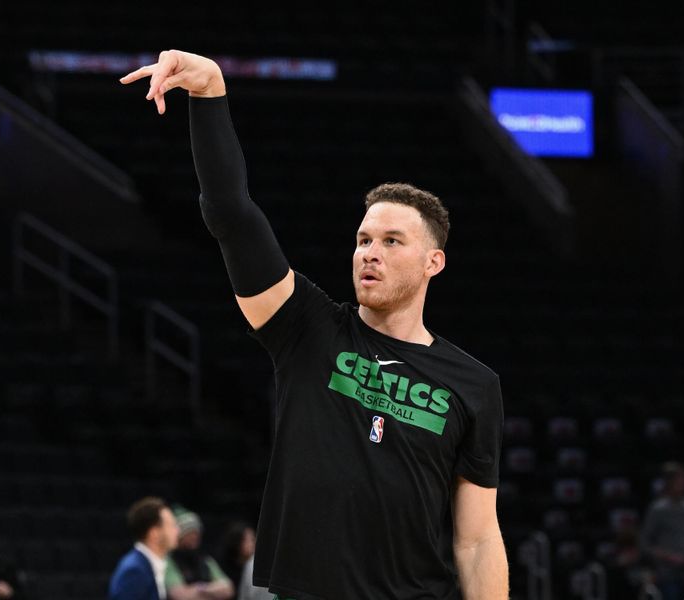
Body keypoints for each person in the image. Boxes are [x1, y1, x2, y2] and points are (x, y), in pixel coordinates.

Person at [120, 49, 507, 600]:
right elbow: (231, 213)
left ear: (433, 262)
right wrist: (209, 96)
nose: (369, 253)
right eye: (363, 240)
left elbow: (477, 539)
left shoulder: (475, 384)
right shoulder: (309, 329)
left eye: (391, 242)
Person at [640, 462, 684, 600]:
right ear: (669, 483)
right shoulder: (657, 509)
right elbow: (645, 544)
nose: (683, 484)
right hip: (667, 575)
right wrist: (668, 557)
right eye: (679, 481)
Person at [109, 497, 180, 600]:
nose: (177, 530)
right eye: (171, 525)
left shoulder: (147, 566)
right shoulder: (134, 571)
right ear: (154, 533)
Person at [165, 506, 234, 600]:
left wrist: (201, 588)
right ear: (179, 536)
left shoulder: (205, 560)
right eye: (190, 532)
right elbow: (179, 595)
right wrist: (212, 591)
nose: (195, 536)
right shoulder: (169, 562)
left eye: (197, 532)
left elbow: (228, 589)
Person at [217, 521, 256, 596]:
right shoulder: (223, 567)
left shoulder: (254, 567)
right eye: (249, 540)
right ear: (237, 543)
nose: (253, 543)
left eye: (253, 539)